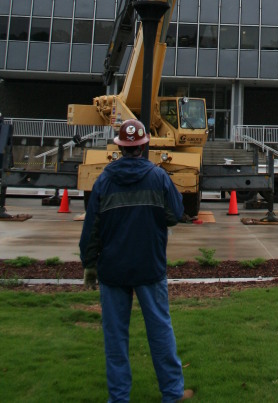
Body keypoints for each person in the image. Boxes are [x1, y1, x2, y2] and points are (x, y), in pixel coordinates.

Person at [80, 118, 193, 403]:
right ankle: (172, 393)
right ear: (143, 146)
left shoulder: (104, 180)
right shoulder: (158, 178)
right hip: (149, 267)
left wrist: (90, 264)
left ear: (120, 147)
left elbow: (92, 227)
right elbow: (174, 215)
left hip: (112, 270)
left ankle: (118, 398)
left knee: (115, 339)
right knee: (160, 331)